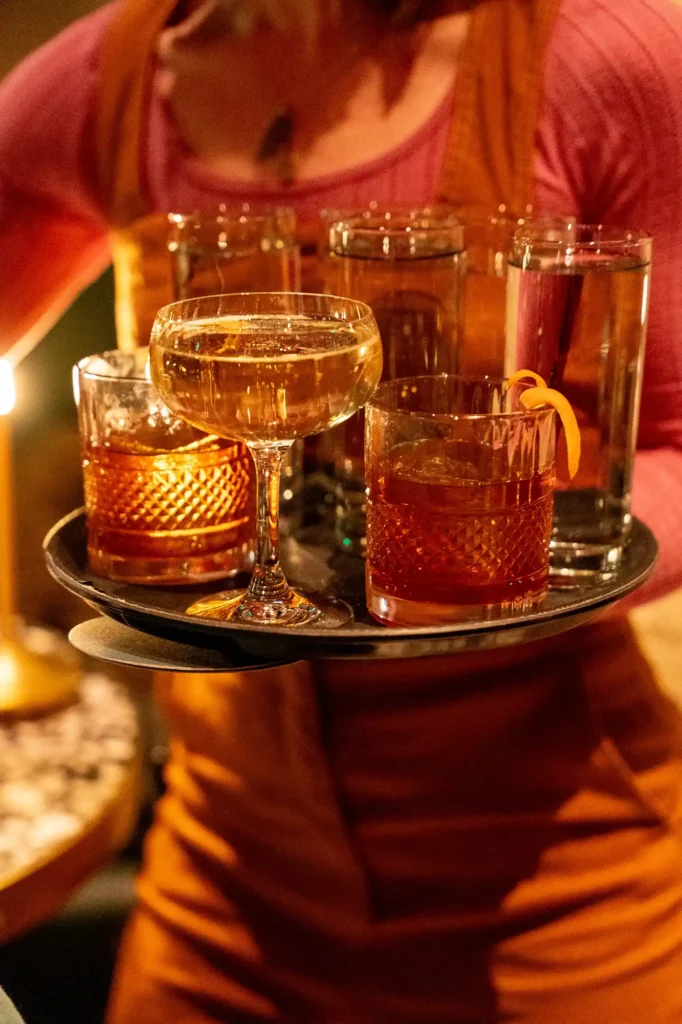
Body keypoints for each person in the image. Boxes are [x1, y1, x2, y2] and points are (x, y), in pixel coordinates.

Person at [2, 0, 682, 1021]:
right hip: (222, 881)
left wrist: (487, 546)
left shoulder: (603, 52)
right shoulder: (126, 69)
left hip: (560, 894)